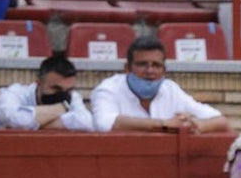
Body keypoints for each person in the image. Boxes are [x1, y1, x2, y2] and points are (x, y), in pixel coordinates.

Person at [89, 36, 231, 134]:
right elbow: (104, 124)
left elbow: (221, 121)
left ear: (164, 70)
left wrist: (195, 125)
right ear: (127, 68)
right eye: (142, 64)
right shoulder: (108, 89)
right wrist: (164, 124)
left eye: (156, 65)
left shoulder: (170, 89)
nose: (149, 71)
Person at [0, 55, 93, 132]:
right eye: (55, 88)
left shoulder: (73, 96)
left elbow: (87, 123)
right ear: (38, 82)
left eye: (68, 90)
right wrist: (62, 107)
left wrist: (34, 123)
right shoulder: (13, 93)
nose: (63, 94)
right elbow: (17, 120)